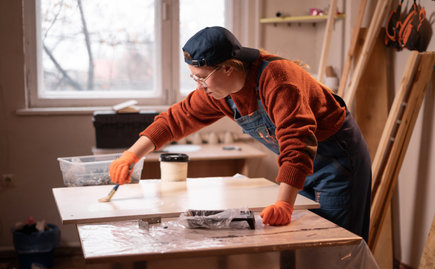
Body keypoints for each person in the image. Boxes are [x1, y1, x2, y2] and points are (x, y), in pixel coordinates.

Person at [109, 26, 372, 241]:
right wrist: (131, 155)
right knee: (308, 246)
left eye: (202, 77)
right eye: (194, 78)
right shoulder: (218, 92)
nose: (199, 86)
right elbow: (175, 119)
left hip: (337, 164)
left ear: (227, 68)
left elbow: (298, 144)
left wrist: (284, 204)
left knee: (336, 249)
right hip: (304, 168)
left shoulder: (279, 81)